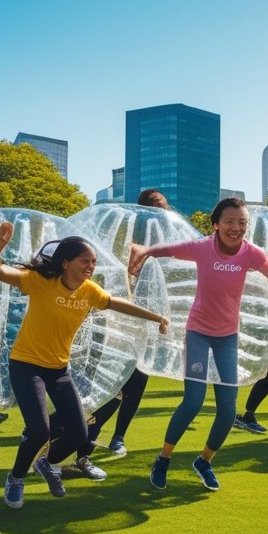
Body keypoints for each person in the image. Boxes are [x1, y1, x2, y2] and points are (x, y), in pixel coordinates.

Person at [0, 221, 168, 508]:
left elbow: (116, 303)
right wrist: (0, 244)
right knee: (39, 430)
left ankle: (47, 462)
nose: (90, 266)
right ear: (66, 263)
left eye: (93, 262)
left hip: (58, 370)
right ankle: (16, 477)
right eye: (85, 261)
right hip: (26, 365)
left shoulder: (89, 291)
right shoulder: (39, 280)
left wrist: (156, 318)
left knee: (79, 433)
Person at [130, 196, 268, 491]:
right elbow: (170, 250)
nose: (236, 228)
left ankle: (204, 461)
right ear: (216, 224)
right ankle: (163, 458)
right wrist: (146, 250)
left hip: (228, 337)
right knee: (193, 401)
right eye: (229, 222)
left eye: (242, 223)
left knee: (228, 409)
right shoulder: (202, 247)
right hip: (198, 331)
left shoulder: (250, 253)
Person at [86, 187, 170, 457]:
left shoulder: (164, 250)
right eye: (160, 206)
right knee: (116, 384)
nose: (165, 212)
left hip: (148, 326)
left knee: (136, 386)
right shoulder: (129, 246)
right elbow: (119, 282)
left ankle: (117, 437)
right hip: (122, 326)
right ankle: (92, 433)